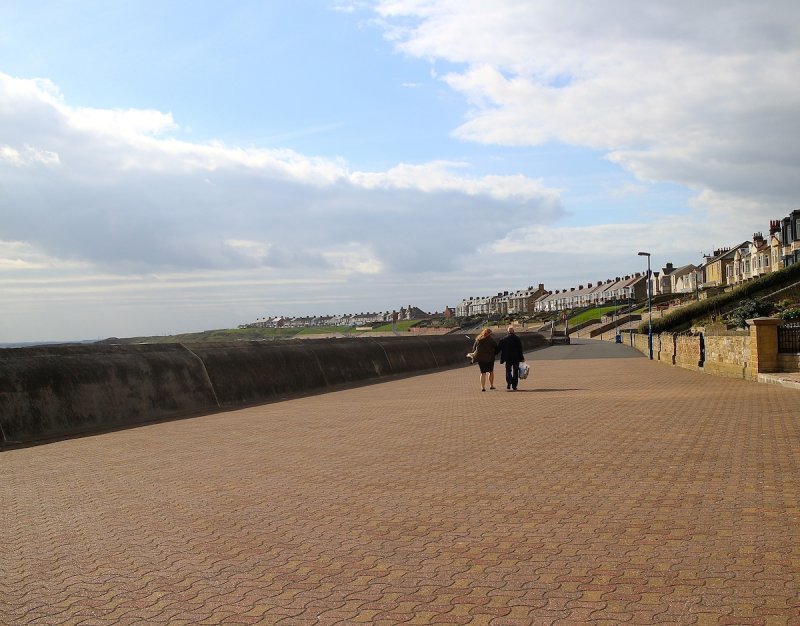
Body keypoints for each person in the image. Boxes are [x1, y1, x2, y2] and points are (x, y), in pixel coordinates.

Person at [496, 325, 525, 391]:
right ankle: (514, 386)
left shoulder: (503, 339)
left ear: (508, 331)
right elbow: (520, 349)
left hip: (507, 358)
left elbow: (498, 349)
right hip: (516, 357)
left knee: (508, 370)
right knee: (515, 371)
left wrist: (494, 353)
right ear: (513, 331)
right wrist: (522, 358)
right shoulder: (517, 338)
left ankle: (509, 383)